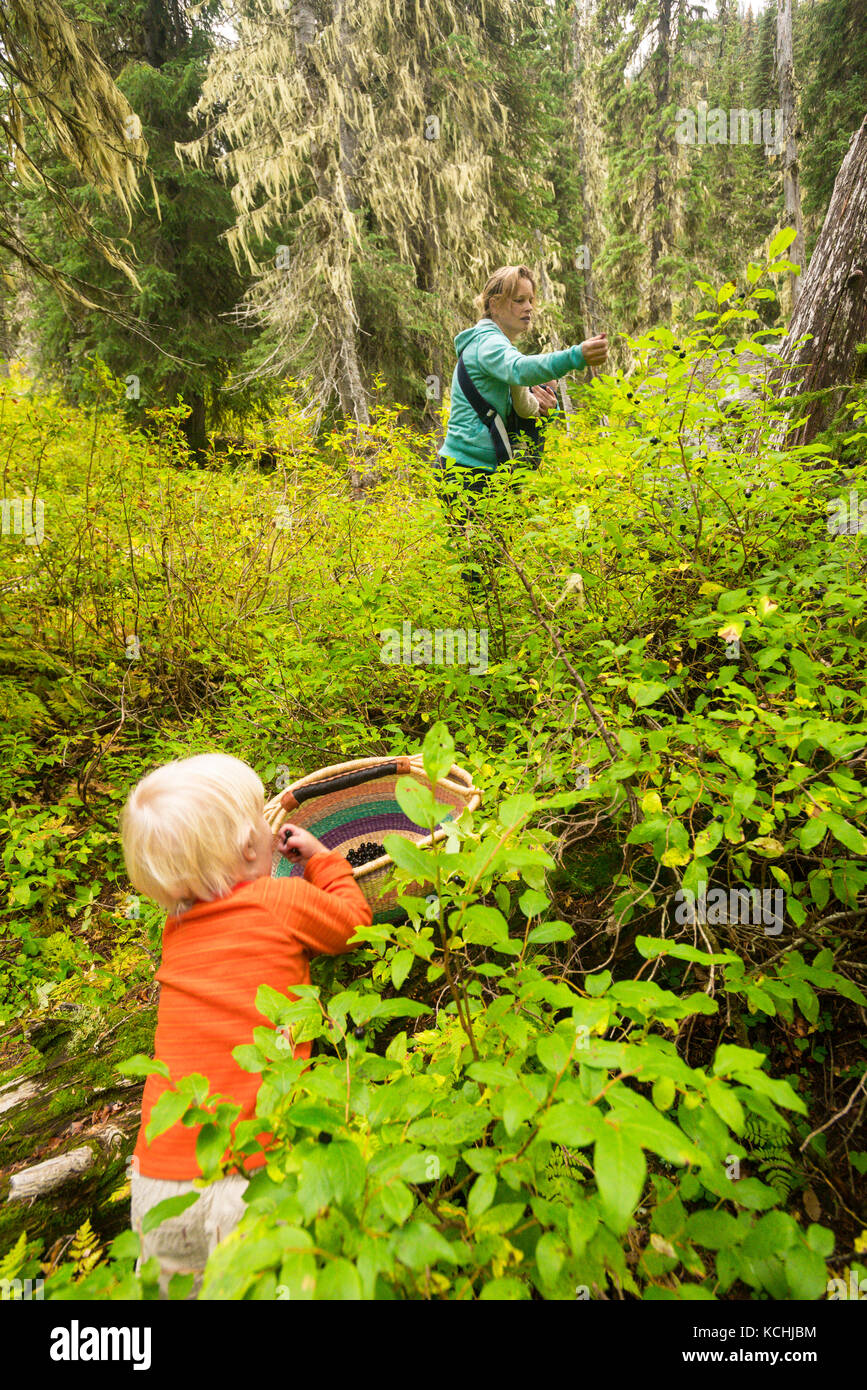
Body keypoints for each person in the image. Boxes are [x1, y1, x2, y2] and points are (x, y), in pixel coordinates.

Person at [120, 753, 372, 1297]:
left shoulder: (175, 927)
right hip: (252, 1175)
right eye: (263, 816)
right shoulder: (280, 899)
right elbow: (354, 926)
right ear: (249, 848)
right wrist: (325, 862)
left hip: (159, 1176)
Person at [436, 264, 609, 591]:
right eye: (519, 300)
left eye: (531, 300)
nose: (529, 307)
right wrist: (576, 356)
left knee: (489, 572)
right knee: (480, 579)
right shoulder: (488, 344)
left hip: (486, 474)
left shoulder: (498, 345)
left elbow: (521, 404)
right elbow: (519, 369)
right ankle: (479, 636)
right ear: (495, 303)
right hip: (466, 474)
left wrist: (545, 405)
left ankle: (488, 631)